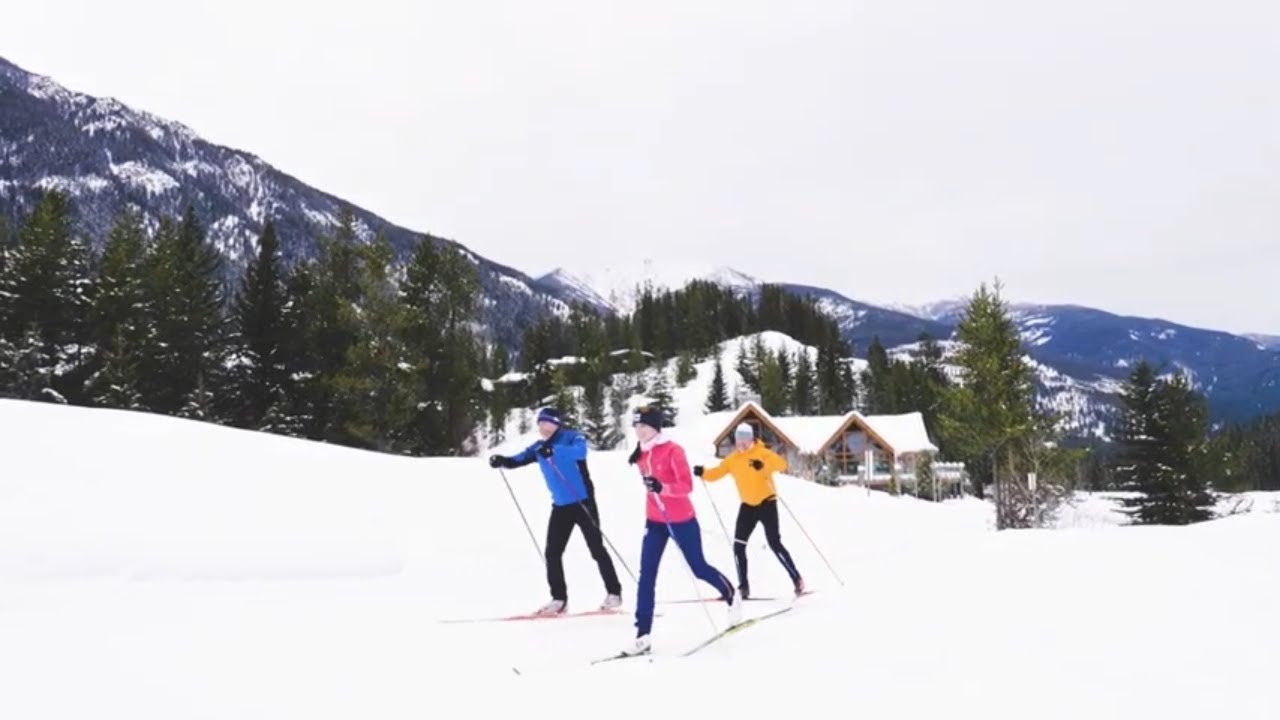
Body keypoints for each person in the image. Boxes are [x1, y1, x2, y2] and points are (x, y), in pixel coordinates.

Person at [620, 405, 741, 657]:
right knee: (647, 575)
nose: (638, 430)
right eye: (636, 426)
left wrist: (661, 487)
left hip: (681, 519)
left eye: (643, 425)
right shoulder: (641, 454)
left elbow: (686, 486)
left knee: (698, 568)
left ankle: (730, 592)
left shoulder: (673, 450)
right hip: (654, 520)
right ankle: (643, 635)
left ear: (655, 427)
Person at [488, 407, 622, 616]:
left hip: (583, 502)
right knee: (552, 553)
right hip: (560, 507)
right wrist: (502, 460)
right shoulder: (539, 447)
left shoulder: (571, 437)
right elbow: (518, 460)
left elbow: (580, 452)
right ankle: (559, 599)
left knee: (596, 549)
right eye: (540, 423)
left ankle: (614, 593)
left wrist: (555, 451)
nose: (542, 427)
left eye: (546, 422)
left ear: (557, 423)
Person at [694, 422, 804, 598]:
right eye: (739, 439)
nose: (742, 443)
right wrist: (703, 472)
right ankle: (743, 586)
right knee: (738, 546)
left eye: (745, 439)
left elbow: (781, 465)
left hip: (767, 502)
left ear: (752, 438)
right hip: (747, 506)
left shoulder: (762, 453)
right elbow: (717, 473)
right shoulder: (733, 459)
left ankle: (796, 578)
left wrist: (764, 466)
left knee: (774, 543)